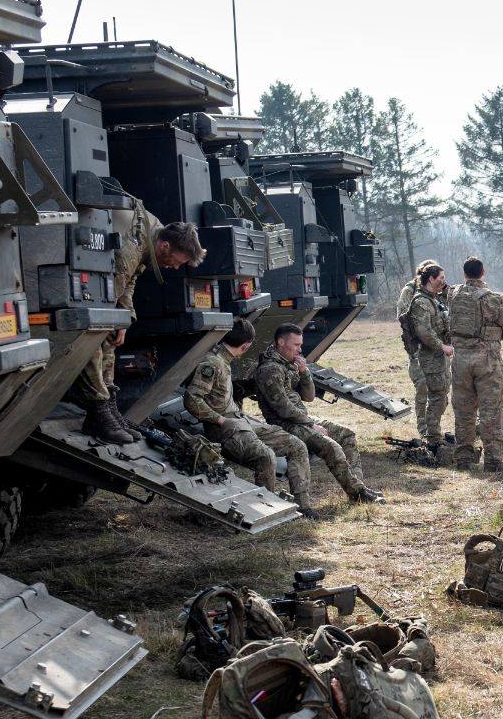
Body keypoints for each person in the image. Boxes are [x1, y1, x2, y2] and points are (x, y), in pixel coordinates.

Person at [80, 208, 205, 444]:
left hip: (106, 283)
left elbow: (129, 280)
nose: (175, 268)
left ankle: (109, 406)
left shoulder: (152, 231)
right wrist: (115, 319)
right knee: (98, 337)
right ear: (165, 246)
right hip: (83, 284)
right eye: (177, 262)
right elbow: (111, 293)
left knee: (111, 333)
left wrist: (124, 319)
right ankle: (98, 409)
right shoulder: (132, 245)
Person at [183, 318, 316, 516]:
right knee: (266, 457)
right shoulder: (213, 363)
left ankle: (303, 506)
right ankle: (265, 510)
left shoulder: (224, 361)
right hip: (224, 429)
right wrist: (220, 420)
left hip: (239, 421)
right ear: (245, 346)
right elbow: (192, 399)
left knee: (296, 445)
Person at [255, 322, 385, 505]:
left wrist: (304, 372)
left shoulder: (289, 363)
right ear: (281, 342)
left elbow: (309, 397)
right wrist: (310, 424)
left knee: (347, 435)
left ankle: (359, 489)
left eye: (300, 345)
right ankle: (357, 493)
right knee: (331, 447)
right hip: (284, 423)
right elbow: (283, 409)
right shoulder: (269, 369)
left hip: (300, 419)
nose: (300, 350)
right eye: (296, 345)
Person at [445, 256, 503, 471]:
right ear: (483, 273)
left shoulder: (453, 294)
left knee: (463, 410)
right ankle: (494, 461)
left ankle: (464, 458)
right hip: (486, 359)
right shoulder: (493, 299)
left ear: (464, 274)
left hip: (460, 360)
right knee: (491, 411)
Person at [397, 261, 452, 448]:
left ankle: (433, 434)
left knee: (441, 395)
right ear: (431, 279)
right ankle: (430, 436)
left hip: (438, 356)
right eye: (441, 277)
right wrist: (442, 346)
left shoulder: (435, 299)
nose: (444, 281)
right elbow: (423, 331)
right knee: (431, 395)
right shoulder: (420, 301)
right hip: (427, 357)